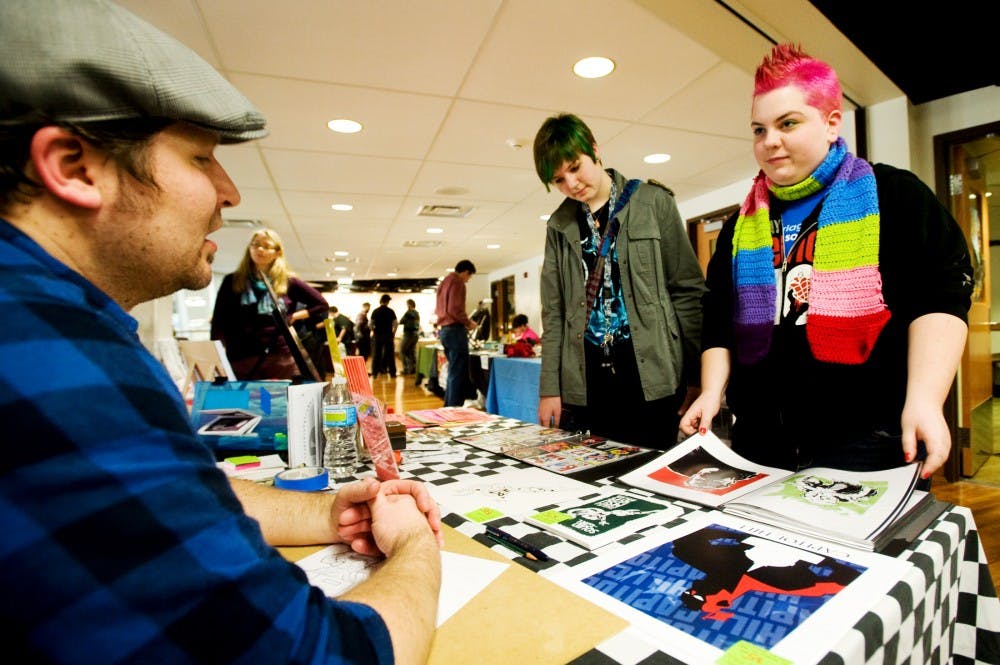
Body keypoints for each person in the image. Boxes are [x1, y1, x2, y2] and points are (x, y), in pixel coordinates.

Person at [0, 2, 442, 663]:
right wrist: (416, 545)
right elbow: (325, 654)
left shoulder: (58, 317)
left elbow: (161, 487)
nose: (229, 191)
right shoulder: (53, 353)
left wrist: (327, 514)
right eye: (202, 157)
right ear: (74, 164)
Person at [679, 44, 973, 482]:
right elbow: (719, 316)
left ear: (832, 122)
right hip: (761, 442)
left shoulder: (894, 194)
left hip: (868, 440)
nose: (769, 141)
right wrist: (711, 391)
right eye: (759, 130)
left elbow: (941, 297)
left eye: (788, 123)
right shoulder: (741, 226)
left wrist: (927, 399)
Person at [533, 113, 706, 448]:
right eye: (558, 179)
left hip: (651, 373)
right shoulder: (559, 226)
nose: (571, 184)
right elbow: (553, 314)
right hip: (587, 380)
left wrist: (698, 376)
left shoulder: (654, 202)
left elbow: (687, 293)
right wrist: (549, 389)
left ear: (594, 150)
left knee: (653, 473)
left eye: (574, 166)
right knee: (592, 480)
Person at [211, 228, 329, 380]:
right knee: (247, 402)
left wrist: (293, 316)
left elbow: (320, 304)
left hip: (278, 354)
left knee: (282, 401)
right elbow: (219, 320)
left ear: (277, 252)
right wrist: (216, 354)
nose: (259, 249)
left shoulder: (288, 281)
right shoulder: (232, 281)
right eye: (255, 245)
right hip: (241, 356)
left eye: (266, 246)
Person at [435, 260, 478, 406]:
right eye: (469, 277)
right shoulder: (458, 282)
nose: (468, 280)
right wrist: (468, 322)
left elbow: (442, 308)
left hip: (444, 331)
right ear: (465, 272)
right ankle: (453, 408)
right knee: (458, 371)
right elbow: (454, 309)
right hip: (455, 330)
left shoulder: (444, 281)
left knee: (453, 370)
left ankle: (448, 405)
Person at [370, 293, 398, 379]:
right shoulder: (391, 311)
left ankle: (375, 373)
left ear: (381, 301)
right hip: (388, 335)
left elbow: (370, 324)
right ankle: (392, 373)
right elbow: (396, 324)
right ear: (387, 301)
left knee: (376, 354)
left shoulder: (375, 311)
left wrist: (373, 331)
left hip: (378, 335)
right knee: (390, 354)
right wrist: (393, 333)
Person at [399, 298, 421, 374]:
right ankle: (413, 369)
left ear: (409, 304)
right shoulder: (417, 313)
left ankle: (406, 369)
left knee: (402, 351)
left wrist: (407, 311)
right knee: (412, 352)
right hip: (415, 335)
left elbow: (401, 321)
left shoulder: (408, 313)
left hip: (408, 335)